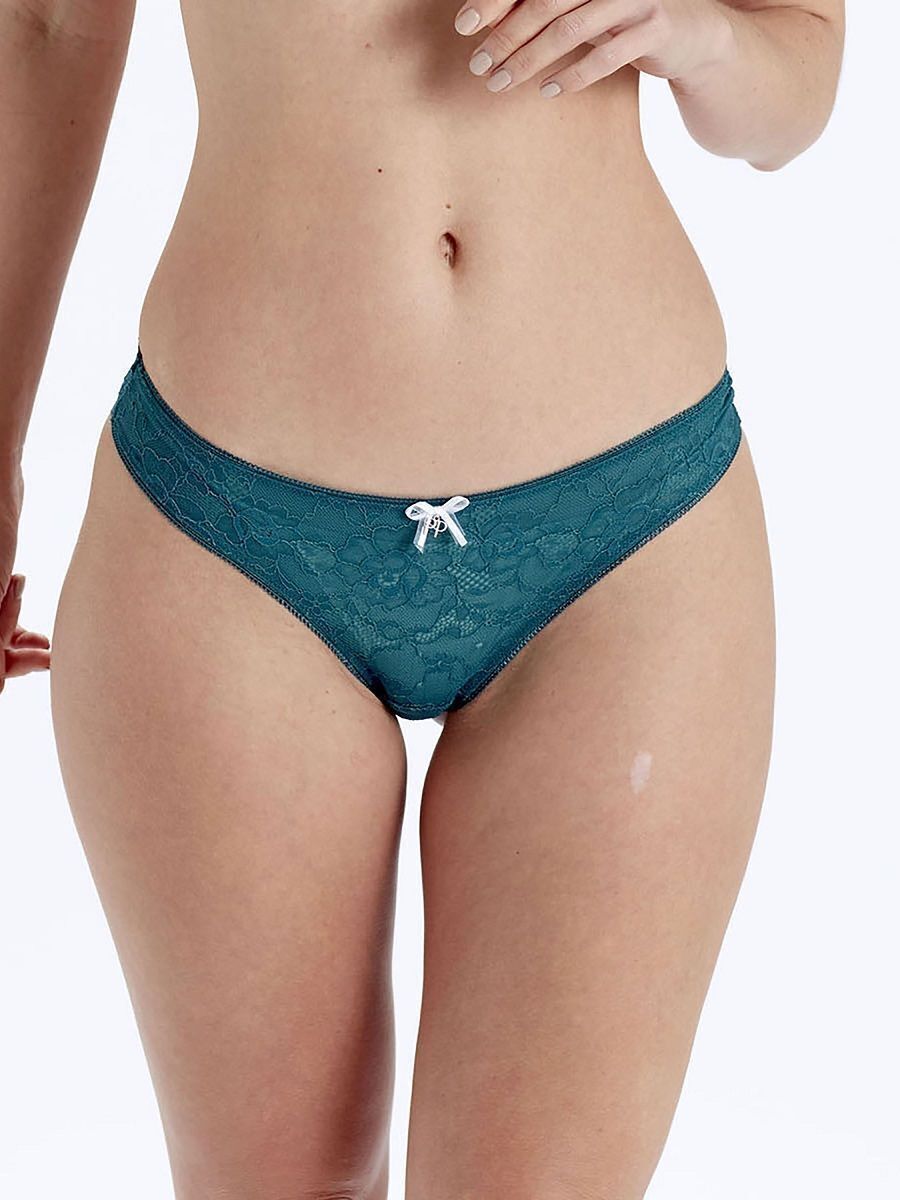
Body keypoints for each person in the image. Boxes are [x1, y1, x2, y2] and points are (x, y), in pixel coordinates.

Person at [1, 2, 844, 1197]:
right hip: (226, 533)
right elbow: (45, 28)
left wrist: (693, 31)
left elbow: (795, 88)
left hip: (627, 543)